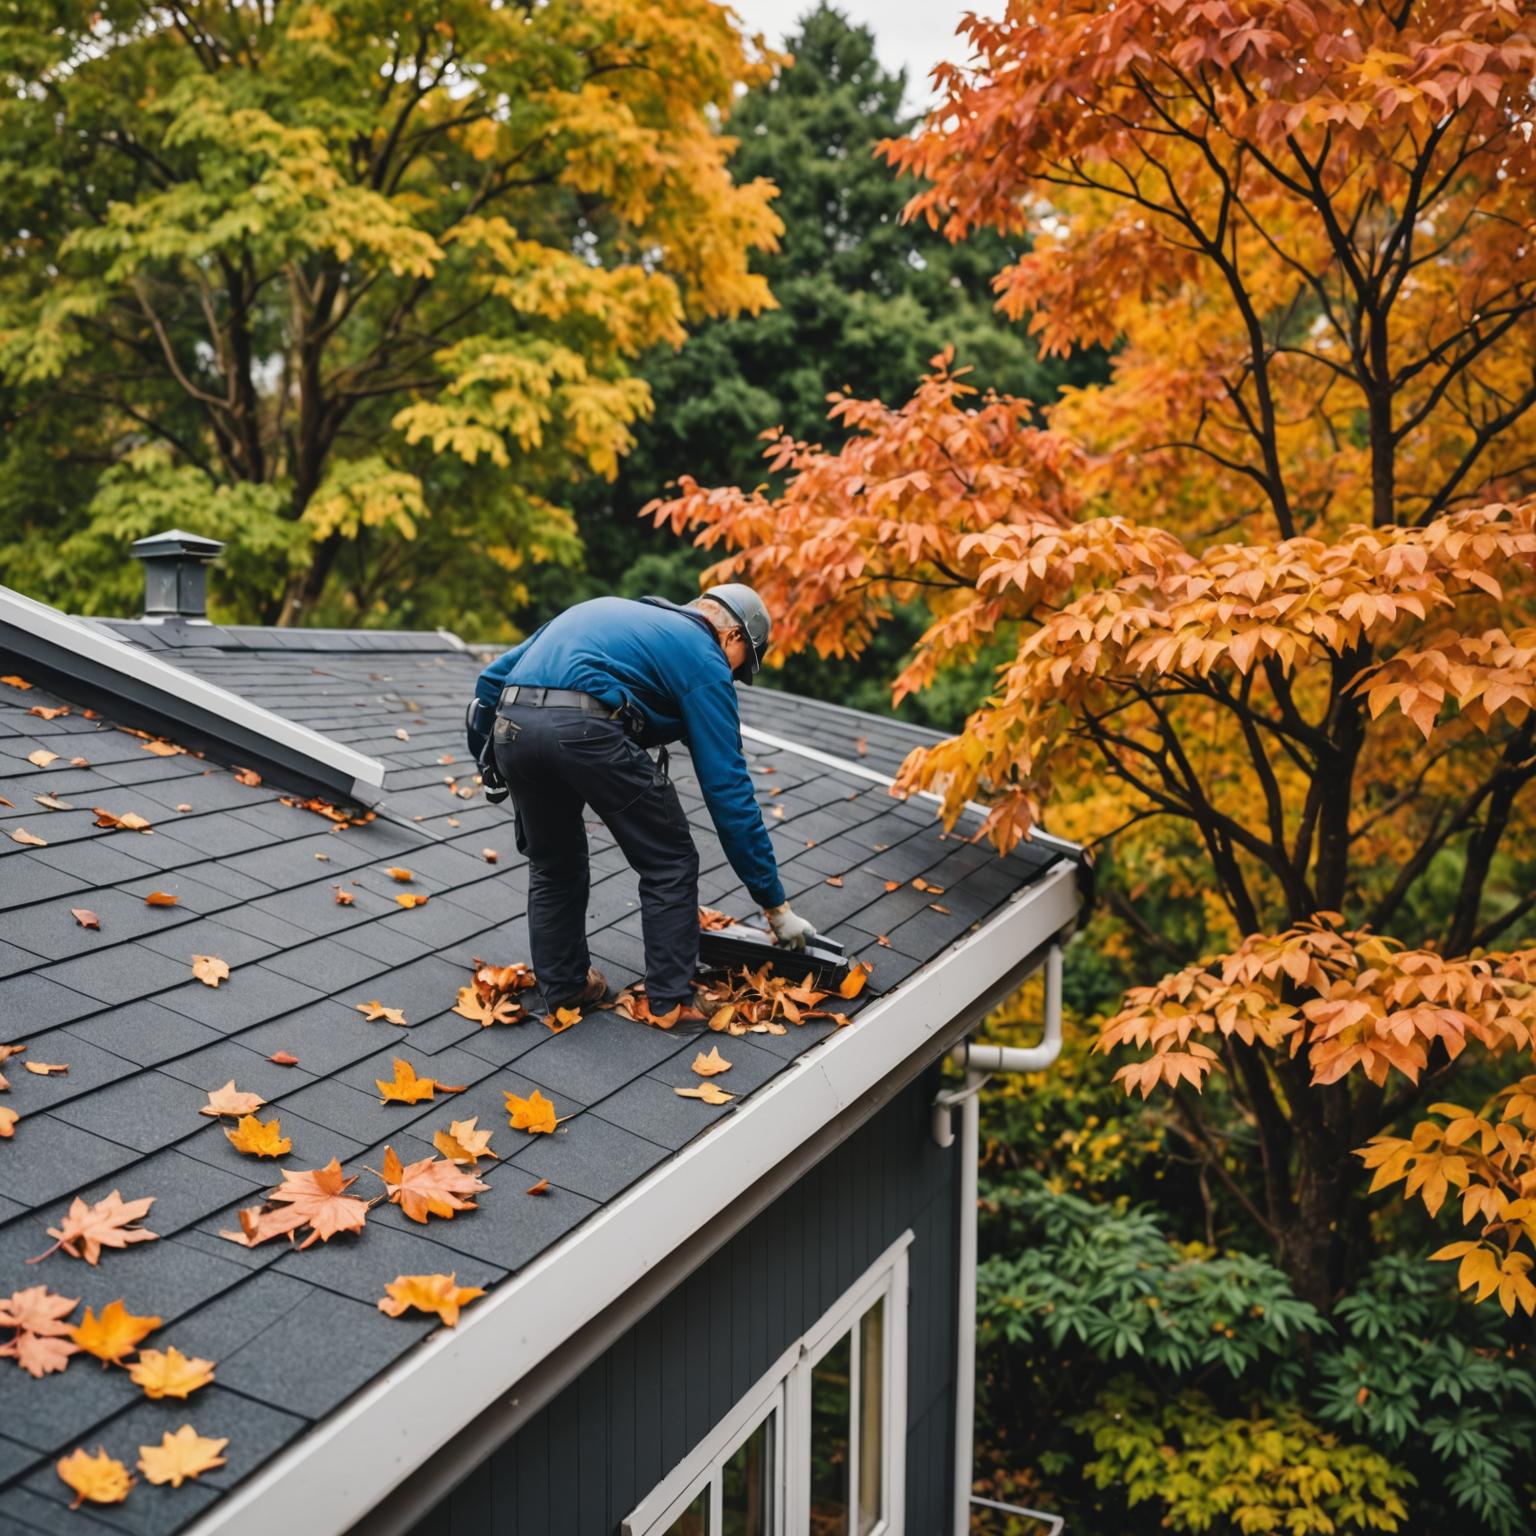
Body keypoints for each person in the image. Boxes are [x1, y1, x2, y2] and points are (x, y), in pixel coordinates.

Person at [466, 586, 818, 1023]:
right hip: (585, 729)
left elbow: (489, 685)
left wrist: (488, 761)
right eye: (741, 666)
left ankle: (566, 990)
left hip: (512, 726)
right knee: (669, 858)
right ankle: (671, 1002)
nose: (732, 678)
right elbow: (728, 790)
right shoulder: (704, 656)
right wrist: (775, 907)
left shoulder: (604, 611)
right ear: (732, 638)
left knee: (555, 862)